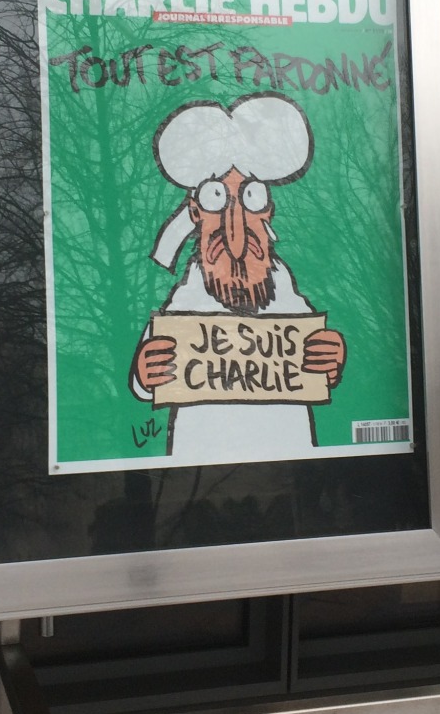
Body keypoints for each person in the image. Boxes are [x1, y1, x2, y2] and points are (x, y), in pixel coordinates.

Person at [130, 94, 346, 462]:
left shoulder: (286, 295)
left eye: (249, 198)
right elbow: (148, 376)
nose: (234, 227)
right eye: (218, 199)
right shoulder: (185, 302)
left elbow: (315, 357)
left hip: (289, 459)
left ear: (267, 209)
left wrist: (332, 357)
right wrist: (143, 373)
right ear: (197, 212)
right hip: (197, 462)